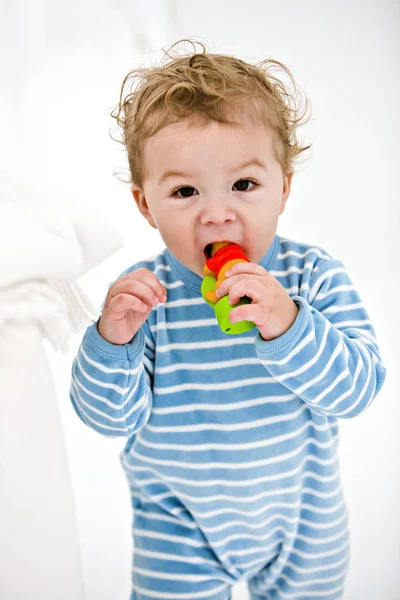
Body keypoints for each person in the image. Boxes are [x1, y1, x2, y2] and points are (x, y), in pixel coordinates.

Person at [69, 39, 387, 600]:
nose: (217, 211)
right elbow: (109, 420)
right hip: (179, 521)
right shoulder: (145, 299)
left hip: (302, 519)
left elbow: (358, 389)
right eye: (185, 191)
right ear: (146, 205)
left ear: (283, 188)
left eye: (244, 185)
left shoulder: (311, 276)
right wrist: (109, 342)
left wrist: (289, 323)